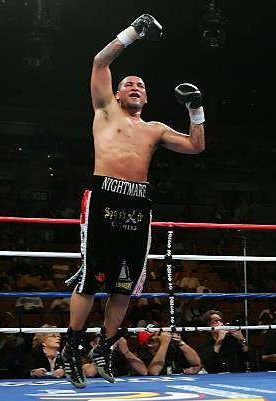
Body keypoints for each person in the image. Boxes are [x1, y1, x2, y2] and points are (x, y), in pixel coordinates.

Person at [62, 13, 206, 388]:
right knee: (92, 279)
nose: (135, 87)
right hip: (104, 194)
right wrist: (133, 33)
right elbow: (100, 62)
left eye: (141, 84)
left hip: (138, 204)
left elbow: (195, 145)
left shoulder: (155, 129)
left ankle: (104, 347)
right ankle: (71, 348)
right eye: (128, 83)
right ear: (117, 93)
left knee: (125, 286)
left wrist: (195, 110)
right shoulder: (105, 111)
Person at [136, 328, 201, 375]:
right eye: (159, 334)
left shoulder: (171, 348)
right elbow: (154, 372)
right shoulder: (142, 355)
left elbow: (196, 362)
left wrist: (180, 342)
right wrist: (164, 344)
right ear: (150, 343)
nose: (165, 335)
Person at [83, 335, 148, 377]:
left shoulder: (119, 355)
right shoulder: (86, 356)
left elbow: (143, 372)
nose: (110, 341)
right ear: (93, 344)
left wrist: (126, 352)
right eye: (105, 339)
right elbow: (89, 373)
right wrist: (107, 351)